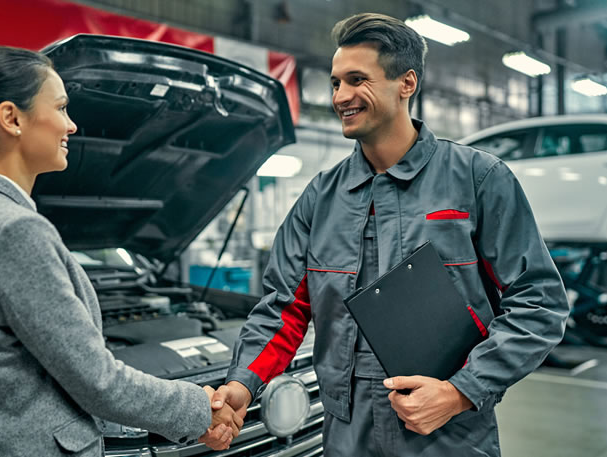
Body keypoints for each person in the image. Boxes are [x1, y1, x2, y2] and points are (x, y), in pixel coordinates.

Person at [210, 12, 569, 456]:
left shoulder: (478, 179)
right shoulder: (320, 197)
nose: (341, 96)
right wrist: (241, 385)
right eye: (336, 82)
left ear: (406, 83)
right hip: (346, 431)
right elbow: (283, 308)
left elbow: (539, 303)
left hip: (449, 432)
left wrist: (460, 391)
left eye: (357, 79)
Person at [0, 45, 241, 456]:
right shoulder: (14, 231)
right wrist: (200, 409)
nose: (72, 125)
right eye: (60, 108)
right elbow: (99, 382)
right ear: (11, 118)